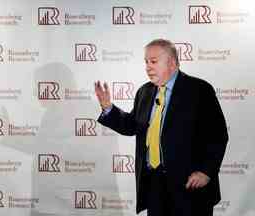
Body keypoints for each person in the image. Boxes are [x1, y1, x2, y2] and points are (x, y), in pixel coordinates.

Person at [94, 39, 228, 216]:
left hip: (189, 186)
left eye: (153, 61)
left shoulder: (199, 90)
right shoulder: (144, 92)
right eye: (146, 62)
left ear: (172, 63)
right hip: (154, 184)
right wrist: (108, 108)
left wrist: (206, 172)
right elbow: (132, 126)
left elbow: (218, 136)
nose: (148, 67)